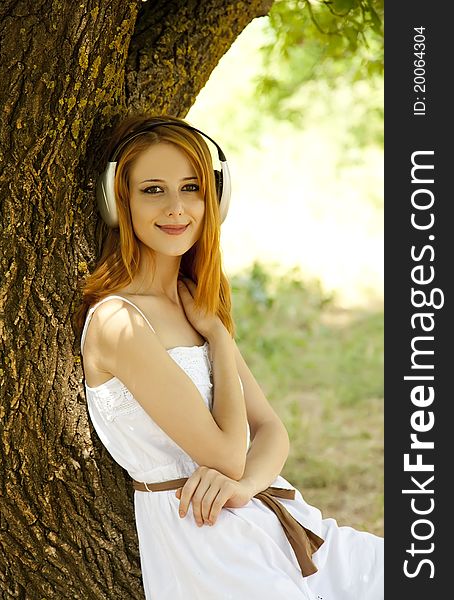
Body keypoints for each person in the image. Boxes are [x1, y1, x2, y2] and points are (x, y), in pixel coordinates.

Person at [75, 114, 383, 599]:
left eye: (192, 187)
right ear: (120, 203)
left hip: (270, 516)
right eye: (153, 190)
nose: (177, 208)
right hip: (206, 541)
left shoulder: (192, 300)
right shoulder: (120, 322)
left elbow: (271, 432)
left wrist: (245, 487)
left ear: (214, 199)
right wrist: (218, 339)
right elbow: (223, 453)